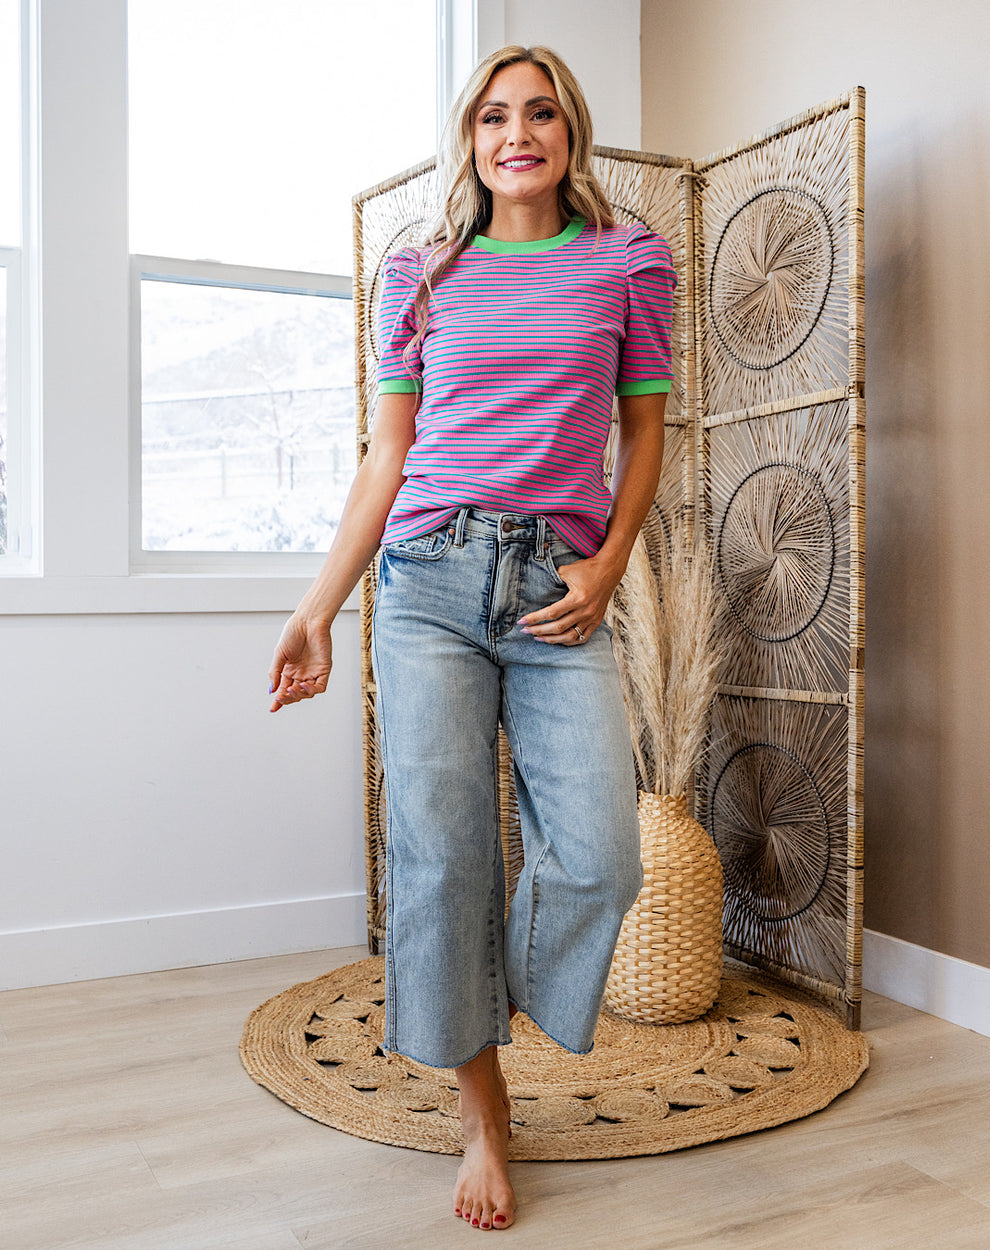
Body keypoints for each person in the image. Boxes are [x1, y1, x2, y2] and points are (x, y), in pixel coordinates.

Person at [268, 43, 677, 1233]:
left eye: (539, 113)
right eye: (493, 117)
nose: (517, 134)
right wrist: (317, 607)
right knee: (443, 857)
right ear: (470, 141)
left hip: (558, 587)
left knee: (601, 853)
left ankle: (472, 986)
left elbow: (643, 433)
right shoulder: (419, 272)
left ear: (569, 131)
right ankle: (483, 1110)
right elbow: (388, 457)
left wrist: (610, 561)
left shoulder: (628, 258)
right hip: (427, 584)